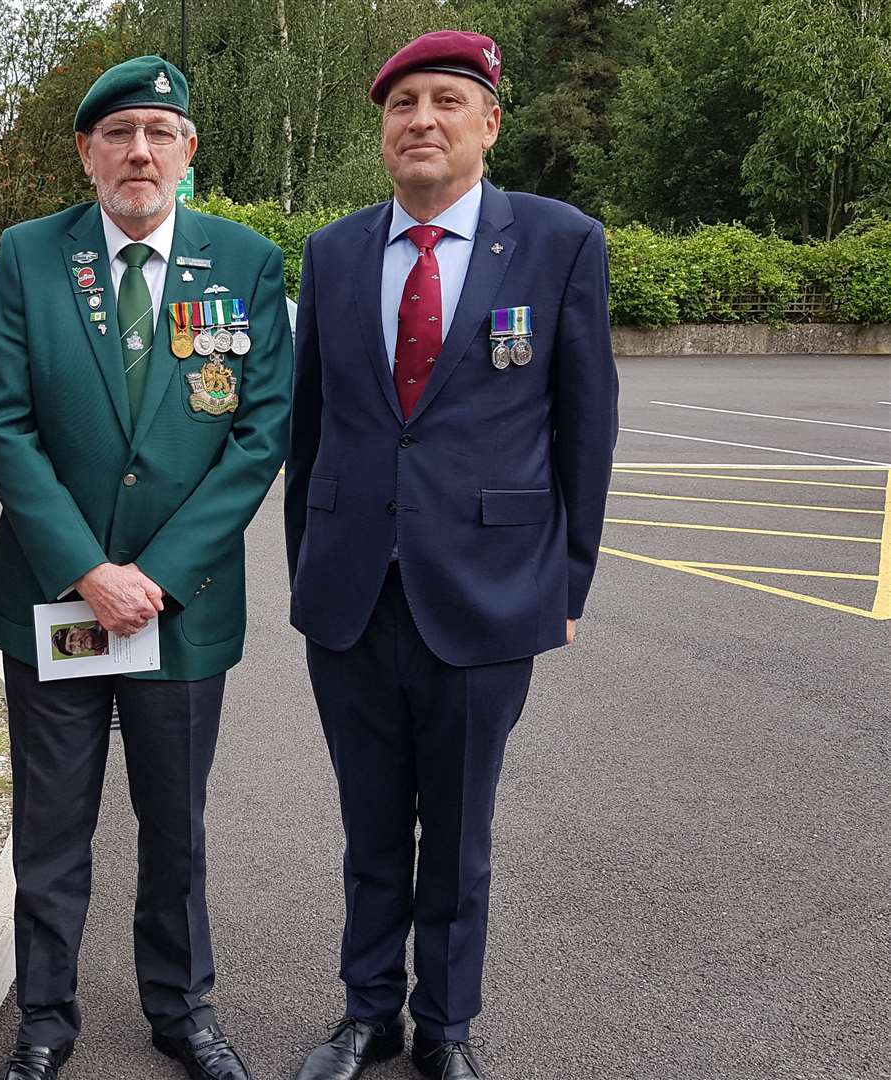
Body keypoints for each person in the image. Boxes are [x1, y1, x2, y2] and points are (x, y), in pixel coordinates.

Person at [285, 30, 618, 1080]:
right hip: (351, 595)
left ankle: (446, 1029)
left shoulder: (560, 242)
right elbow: (311, 429)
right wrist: (310, 567)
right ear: (381, 132)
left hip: (486, 595)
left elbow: (584, 427)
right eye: (399, 105)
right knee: (369, 827)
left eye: (443, 100)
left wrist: (564, 584)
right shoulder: (333, 253)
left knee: (460, 833)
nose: (419, 119)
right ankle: (364, 1013)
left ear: (487, 124)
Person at [0, 55, 293, 1080]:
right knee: (53, 825)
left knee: (175, 828)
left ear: (188, 150)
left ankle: (181, 1010)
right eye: (117, 133)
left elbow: (258, 433)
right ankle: (44, 1018)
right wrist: (88, 571)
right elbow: (7, 426)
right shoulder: (29, 254)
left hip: (182, 607)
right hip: (57, 602)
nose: (139, 151)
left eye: (159, 131)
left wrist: (152, 572)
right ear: (86, 152)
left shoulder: (245, 261)